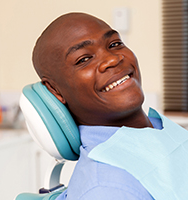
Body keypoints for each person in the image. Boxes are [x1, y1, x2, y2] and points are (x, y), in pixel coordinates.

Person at [32, 12, 156, 200]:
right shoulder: (107, 189)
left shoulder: (159, 128)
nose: (112, 59)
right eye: (83, 59)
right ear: (55, 90)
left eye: (114, 44)